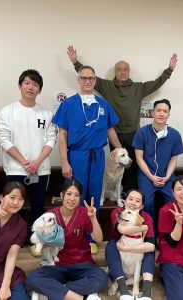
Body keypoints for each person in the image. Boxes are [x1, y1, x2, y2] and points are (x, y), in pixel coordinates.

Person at [67, 45, 178, 193]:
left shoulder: (139, 87)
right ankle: (115, 192)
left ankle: (130, 192)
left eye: (125, 69)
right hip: (114, 134)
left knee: (132, 165)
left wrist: (169, 70)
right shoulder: (106, 85)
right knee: (116, 166)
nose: (122, 72)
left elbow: (156, 83)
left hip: (134, 133)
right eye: (119, 70)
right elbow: (88, 78)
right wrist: (75, 62)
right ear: (115, 72)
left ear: (129, 71)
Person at [52, 65, 121, 254]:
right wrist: (65, 161)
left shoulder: (103, 105)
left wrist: (120, 149)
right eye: (84, 78)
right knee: (74, 195)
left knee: (94, 195)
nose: (88, 81)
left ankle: (90, 236)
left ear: (95, 81)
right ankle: (72, 235)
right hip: (77, 155)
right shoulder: (68, 104)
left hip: (98, 155)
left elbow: (110, 130)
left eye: (91, 78)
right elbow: (63, 135)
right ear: (79, 80)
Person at [0, 69, 57, 251]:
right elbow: (4, 139)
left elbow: (51, 139)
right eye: (27, 83)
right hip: (15, 168)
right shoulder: (7, 112)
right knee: (12, 206)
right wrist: (24, 161)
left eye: (35, 84)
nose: (31, 87)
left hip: (41, 169)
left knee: (38, 206)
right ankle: (12, 240)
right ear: (20, 86)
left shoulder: (46, 114)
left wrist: (37, 162)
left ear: (40, 90)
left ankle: (34, 239)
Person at [26, 179, 108, 300]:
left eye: (76, 195)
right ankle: (77, 297)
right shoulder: (50, 216)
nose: (72, 198)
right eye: (69, 194)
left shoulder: (84, 213)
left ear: (80, 198)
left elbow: (99, 239)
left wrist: (93, 218)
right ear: (61, 195)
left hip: (82, 264)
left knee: (101, 278)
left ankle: (57, 291)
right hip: (57, 266)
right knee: (33, 277)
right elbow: (38, 240)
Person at [132, 99, 183, 224]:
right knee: (147, 203)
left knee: (173, 201)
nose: (161, 114)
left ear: (168, 114)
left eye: (165, 111)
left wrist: (166, 177)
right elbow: (139, 158)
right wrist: (151, 177)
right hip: (146, 176)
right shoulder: (142, 133)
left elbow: (173, 159)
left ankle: (167, 232)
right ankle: (151, 234)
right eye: (158, 110)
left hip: (167, 175)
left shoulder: (174, 135)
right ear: (153, 113)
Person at [105, 189, 155, 300]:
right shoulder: (118, 212)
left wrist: (128, 248)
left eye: (137, 201)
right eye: (130, 199)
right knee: (112, 245)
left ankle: (146, 292)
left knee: (150, 253)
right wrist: (143, 227)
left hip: (136, 246)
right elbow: (122, 229)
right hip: (118, 245)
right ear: (125, 201)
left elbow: (151, 246)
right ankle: (122, 288)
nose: (133, 203)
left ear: (141, 206)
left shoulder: (146, 217)